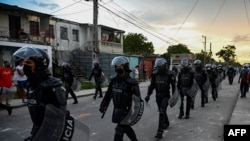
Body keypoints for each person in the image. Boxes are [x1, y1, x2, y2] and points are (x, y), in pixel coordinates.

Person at [13, 46, 68, 140]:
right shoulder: (31, 84)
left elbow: (63, 115)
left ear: (39, 65)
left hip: (51, 133)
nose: (25, 66)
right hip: (37, 131)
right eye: (25, 63)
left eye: (29, 63)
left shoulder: (52, 86)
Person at [99, 56, 143, 141]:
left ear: (125, 66)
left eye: (120, 66)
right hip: (117, 110)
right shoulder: (114, 80)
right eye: (116, 66)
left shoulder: (131, 82)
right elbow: (108, 94)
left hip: (126, 111)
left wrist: (135, 114)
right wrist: (103, 105)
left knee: (118, 132)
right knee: (126, 128)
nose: (118, 67)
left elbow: (138, 100)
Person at [144, 58, 176, 139]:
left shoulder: (170, 74)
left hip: (165, 96)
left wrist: (174, 96)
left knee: (161, 112)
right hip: (158, 96)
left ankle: (159, 132)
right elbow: (152, 85)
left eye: (160, 66)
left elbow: (174, 86)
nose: (159, 68)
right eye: (158, 66)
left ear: (165, 65)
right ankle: (167, 122)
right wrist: (148, 95)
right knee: (162, 111)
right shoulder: (155, 74)